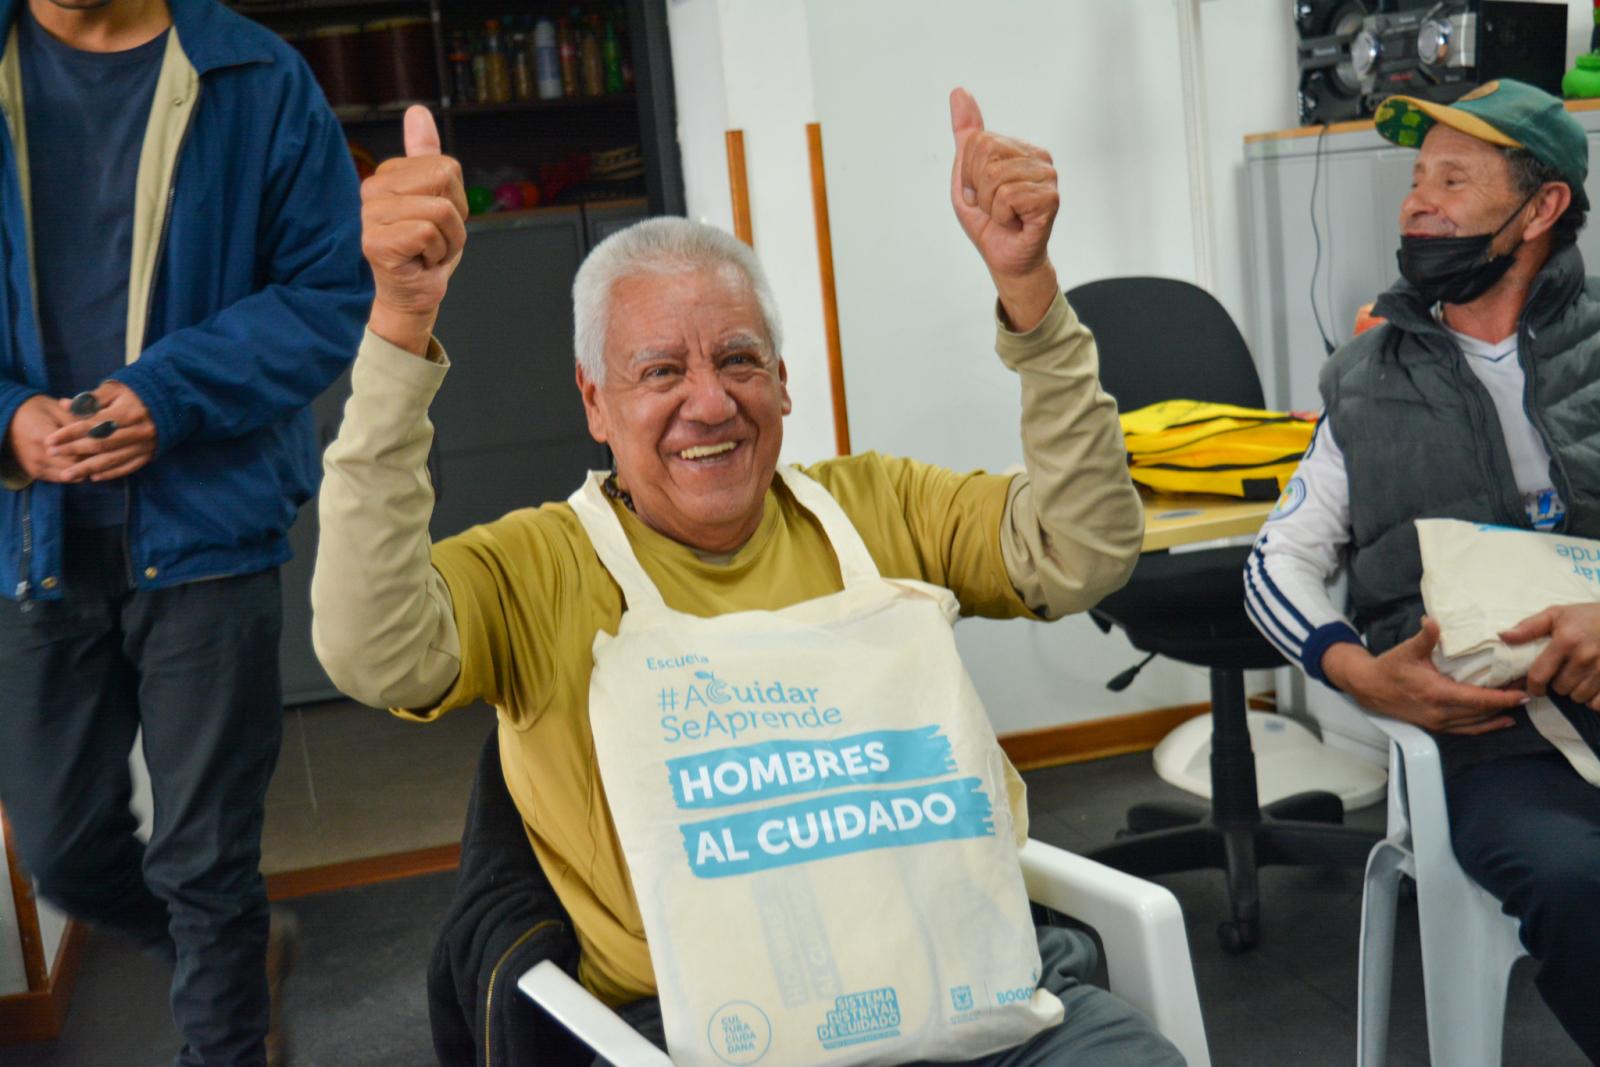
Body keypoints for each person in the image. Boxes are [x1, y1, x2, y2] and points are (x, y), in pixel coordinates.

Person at [314, 93, 1182, 1065]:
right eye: (658, 372)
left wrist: (1028, 294)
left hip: (970, 995)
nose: (710, 400)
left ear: (782, 380)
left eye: (738, 359)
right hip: (705, 1035)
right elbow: (373, 651)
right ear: (594, 401)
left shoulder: (873, 509)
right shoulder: (537, 567)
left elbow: (1085, 548)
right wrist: (396, 325)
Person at [0, 0, 371, 1063]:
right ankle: (238, 957)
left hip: (208, 528)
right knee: (64, 852)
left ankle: (228, 1037)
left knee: (208, 860)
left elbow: (324, 291)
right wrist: (8, 418)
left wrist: (173, 393)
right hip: (32, 540)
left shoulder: (256, 75)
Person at [1244, 79, 1600, 1062]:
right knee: (1577, 879)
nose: (1417, 201)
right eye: (1414, 178)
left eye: (1452, 177)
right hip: (1489, 742)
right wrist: (1354, 669)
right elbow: (1276, 561)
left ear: (1541, 209)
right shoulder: (1366, 378)